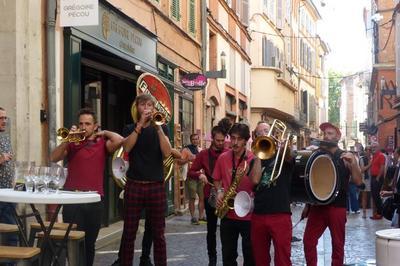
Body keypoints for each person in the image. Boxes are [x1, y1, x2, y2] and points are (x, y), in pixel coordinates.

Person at [50, 108, 123, 266]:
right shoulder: (72, 143)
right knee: (74, 242)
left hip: (94, 199)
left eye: (88, 124)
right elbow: (53, 157)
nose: (84, 127)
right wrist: (67, 140)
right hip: (72, 199)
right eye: (81, 123)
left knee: (89, 243)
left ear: (95, 126)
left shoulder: (102, 143)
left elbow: (120, 140)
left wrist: (103, 133)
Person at [119, 94, 172, 266]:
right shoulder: (129, 128)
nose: (147, 108)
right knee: (129, 232)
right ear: (137, 108)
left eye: (150, 105)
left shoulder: (162, 128)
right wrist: (140, 125)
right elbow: (126, 147)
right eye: (143, 105)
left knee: (159, 234)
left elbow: (167, 152)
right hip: (134, 184)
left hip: (155, 185)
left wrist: (158, 128)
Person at [302, 122, 362, 266]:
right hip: (317, 207)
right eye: (324, 134)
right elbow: (311, 181)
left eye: (330, 134)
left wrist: (353, 163)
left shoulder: (346, 156)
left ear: (338, 137)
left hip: (337, 207)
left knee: (337, 245)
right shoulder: (317, 154)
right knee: (308, 241)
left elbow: (358, 181)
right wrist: (307, 205)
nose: (326, 137)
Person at [250, 121, 294, 266]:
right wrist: (258, 154)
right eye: (260, 133)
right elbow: (255, 180)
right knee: (260, 258)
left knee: (283, 258)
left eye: (267, 131)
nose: (264, 134)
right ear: (255, 137)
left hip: (280, 213)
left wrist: (283, 146)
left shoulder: (283, 157)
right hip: (259, 214)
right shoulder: (254, 161)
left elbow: (289, 157)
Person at [214, 123, 257, 266]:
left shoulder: (253, 159)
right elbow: (217, 179)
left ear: (246, 140)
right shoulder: (223, 157)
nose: (235, 142)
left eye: (239, 139)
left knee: (250, 255)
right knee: (228, 255)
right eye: (232, 138)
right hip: (228, 213)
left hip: (248, 214)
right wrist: (219, 192)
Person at [188, 125, 228, 266]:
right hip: (210, 194)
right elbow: (191, 171)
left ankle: (227, 259)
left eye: (222, 140)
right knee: (211, 230)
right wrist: (200, 175)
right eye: (217, 140)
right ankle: (212, 259)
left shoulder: (228, 152)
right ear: (212, 139)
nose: (220, 143)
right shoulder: (203, 154)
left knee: (226, 231)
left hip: (226, 195)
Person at [0, 107, 17, 248]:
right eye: (1, 118)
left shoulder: (5, 137)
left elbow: (10, 163)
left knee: (12, 232)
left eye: (5, 118)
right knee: (9, 233)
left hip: (9, 192)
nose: (4, 121)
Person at [179, 133, 204, 225]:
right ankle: (193, 217)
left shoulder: (201, 150)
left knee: (202, 198)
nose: (195, 141)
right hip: (190, 177)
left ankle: (201, 217)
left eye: (196, 139)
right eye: (193, 139)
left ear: (199, 140)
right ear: (191, 140)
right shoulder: (186, 150)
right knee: (192, 198)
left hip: (200, 176)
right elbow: (179, 162)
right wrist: (187, 159)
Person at [370, 142, 385, 219]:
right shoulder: (374, 156)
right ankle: (377, 213)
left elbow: (382, 167)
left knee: (376, 196)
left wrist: (378, 178)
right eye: (372, 147)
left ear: (378, 147)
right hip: (373, 177)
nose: (373, 148)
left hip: (377, 177)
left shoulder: (381, 156)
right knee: (374, 196)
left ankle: (380, 213)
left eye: (375, 147)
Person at [359, 146, 372, 218]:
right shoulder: (362, 159)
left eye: (370, 150)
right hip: (364, 179)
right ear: (365, 151)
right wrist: (370, 164)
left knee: (373, 196)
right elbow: (362, 170)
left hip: (372, 179)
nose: (369, 151)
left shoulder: (373, 158)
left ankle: (374, 212)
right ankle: (364, 213)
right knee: (364, 196)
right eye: (368, 150)